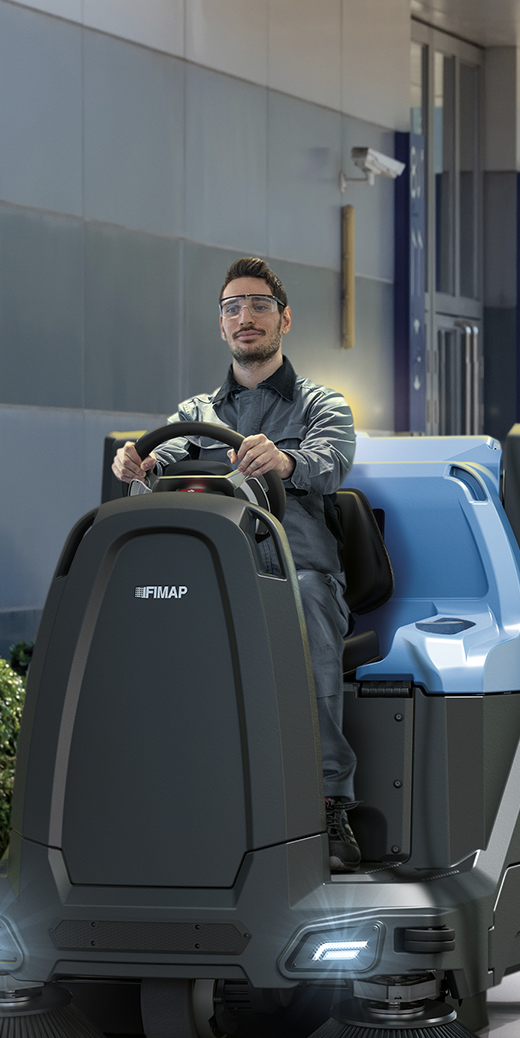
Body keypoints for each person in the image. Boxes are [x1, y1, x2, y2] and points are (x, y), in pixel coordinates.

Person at [113, 258, 364, 862]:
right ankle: (157, 796)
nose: (244, 317)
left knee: (305, 600)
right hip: (211, 576)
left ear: (283, 319)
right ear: (221, 326)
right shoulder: (195, 414)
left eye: (257, 305)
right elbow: (161, 462)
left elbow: (330, 461)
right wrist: (138, 471)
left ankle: (330, 805)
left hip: (295, 572)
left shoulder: (321, 405)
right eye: (232, 308)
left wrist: (285, 462)